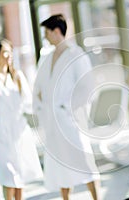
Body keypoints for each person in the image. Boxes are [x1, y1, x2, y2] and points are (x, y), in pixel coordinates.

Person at [33, 14, 100, 200]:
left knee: (83, 159)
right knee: (60, 164)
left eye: (47, 32)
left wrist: (69, 109)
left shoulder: (75, 54)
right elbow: (38, 86)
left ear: (56, 31)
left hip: (69, 119)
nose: (45, 36)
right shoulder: (46, 58)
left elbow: (87, 86)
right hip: (51, 120)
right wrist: (41, 105)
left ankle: (97, 198)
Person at [0, 39, 43, 200]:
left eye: (10, 52)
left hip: (19, 131)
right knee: (8, 175)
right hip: (0, 134)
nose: (9, 56)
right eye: (5, 52)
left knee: (20, 176)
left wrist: (41, 103)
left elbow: (27, 103)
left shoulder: (17, 76)